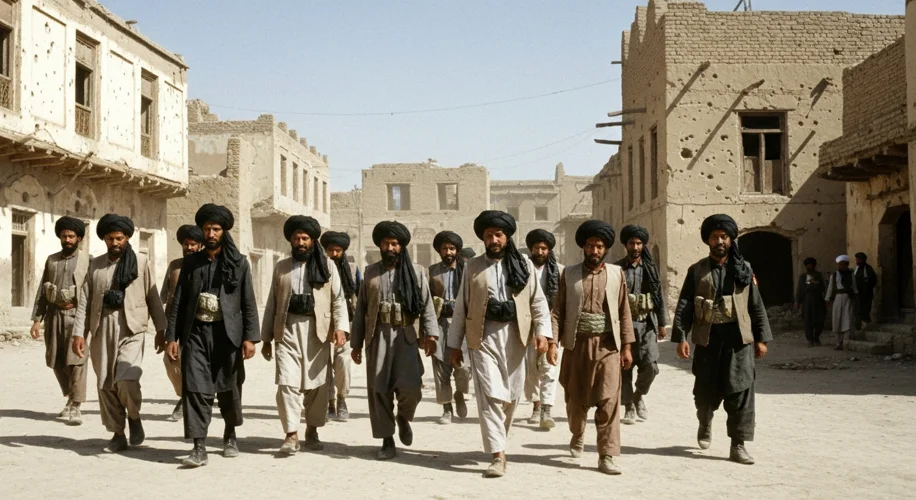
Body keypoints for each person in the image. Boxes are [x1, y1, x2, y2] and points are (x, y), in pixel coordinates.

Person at [448, 210, 551, 478]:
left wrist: (543, 332)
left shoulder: (525, 265)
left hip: (516, 337)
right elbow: (461, 307)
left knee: (511, 396)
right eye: (488, 236)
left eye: (498, 235)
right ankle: (498, 455)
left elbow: (538, 302)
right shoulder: (472, 266)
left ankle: (499, 441)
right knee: (490, 395)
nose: (493, 240)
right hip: (482, 337)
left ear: (507, 237)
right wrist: (454, 344)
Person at [671, 214, 772, 465]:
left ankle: (738, 445)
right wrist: (681, 337)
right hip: (708, 340)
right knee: (705, 393)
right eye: (715, 237)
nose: (719, 241)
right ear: (708, 240)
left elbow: (756, 305)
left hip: (739, 341)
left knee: (741, 391)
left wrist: (761, 338)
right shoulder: (697, 270)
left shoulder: (744, 269)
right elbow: (685, 306)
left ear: (730, 240)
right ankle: (705, 421)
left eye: (724, 237)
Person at [165, 204, 259, 467]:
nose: (211, 233)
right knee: (195, 388)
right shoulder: (191, 263)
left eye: (216, 229)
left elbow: (248, 302)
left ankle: (230, 434)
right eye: (207, 229)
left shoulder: (239, 263)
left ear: (224, 231)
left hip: (227, 336)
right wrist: (172, 337)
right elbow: (179, 302)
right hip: (196, 334)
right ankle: (199, 446)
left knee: (229, 388)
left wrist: (250, 337)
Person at [72, 214, 167, 452]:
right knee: (105, 384)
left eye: (119, 239)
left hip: (132, 328)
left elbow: (152, 296)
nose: (115, 243)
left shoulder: (141, 262)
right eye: (110, 239)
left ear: (127, 238)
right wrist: (79, 333)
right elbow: (85, 300)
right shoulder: (95, 265)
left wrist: (161, 329)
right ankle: (118, 433)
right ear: (104, 239)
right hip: (102, 327)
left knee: (126, 380)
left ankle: (134, 417)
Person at [350, 221, 438, 460]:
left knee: (411, 387)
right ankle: (387, 440)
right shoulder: (370, 272)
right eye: (386, 243)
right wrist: (356, 343)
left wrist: (430, 334)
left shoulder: (417, 272)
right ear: (380, 245)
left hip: (406, 336)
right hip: (378, 335)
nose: (390, 248)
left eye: (395, 244)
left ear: (402, 246)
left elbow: (427, 304)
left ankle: (403, 417)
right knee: (379, 389)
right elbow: (361, 310)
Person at [262, 216, 349, 454]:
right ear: (290, 240)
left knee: (318, 385)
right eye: (296, 238)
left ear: (312, 241)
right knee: (286, 382)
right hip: (287, 330)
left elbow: (338, 299)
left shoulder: (327, 266)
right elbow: (272, 303)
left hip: (317, 331)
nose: (300, 243)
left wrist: (340, 327)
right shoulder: (282, 267)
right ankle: (291, 434)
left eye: (305, 238)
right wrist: (266, 338)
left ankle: (312, 429)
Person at [553, 220, 634, 475]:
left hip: (608, 346)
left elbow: (624, 312)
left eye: (599, 246)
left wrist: (627, 347)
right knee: (575, 400)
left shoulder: (617, 274)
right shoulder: (568, 274)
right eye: (590, 245)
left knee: (609, 400)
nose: (594, 250)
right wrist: (552, 342)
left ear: (606, 248)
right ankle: (577, 433)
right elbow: (557, 311)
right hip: (576, 346)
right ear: (583, 247)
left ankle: (607, 455)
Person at [30, 216, 91, 426]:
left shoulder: (88, 261)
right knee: (56, 360)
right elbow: (42, 291)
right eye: (64, 236)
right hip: (54, 315)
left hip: (77, 316)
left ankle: (76, 405)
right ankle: (70, 396)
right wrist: (37, 319)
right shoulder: (52, 260)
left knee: (77, 360)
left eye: (71, 236)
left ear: (79, 238)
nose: (67, 240)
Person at [614, 224, 667, 425]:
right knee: (624, 368)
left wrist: (662, 323)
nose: (635, 247)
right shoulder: (617, 269)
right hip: (623, 326)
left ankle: (638, 396)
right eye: (631, 243)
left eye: (638, 243)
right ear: (625, 245)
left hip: (646, 325)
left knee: (651, 366)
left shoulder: (650, 270)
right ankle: (628, 407)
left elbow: (659, 296)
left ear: (643, 245)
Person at [156, 224, 204, 423]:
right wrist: (161, 329)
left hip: (199, 324)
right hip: (175, 324)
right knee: (171, 361)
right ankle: (185, 395)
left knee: (195, 364)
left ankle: (188, 400)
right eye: (186, 244)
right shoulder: (175, 267)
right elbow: (164, 297)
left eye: (193, 244)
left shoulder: (206, 266)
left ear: (200, 245)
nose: (189, 248)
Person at [428, 230, 471, 425]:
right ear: (439, 251)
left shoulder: (468, 270)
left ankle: (460, 393)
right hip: (440, 323)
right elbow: (426, 301)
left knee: (463, 368)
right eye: (444, 248)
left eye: (452, 248)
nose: (448, 252)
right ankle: (446, 408)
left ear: (457, 250)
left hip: (462, 325)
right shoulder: (432, 272)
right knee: (440, 367)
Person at [523, 228, 563, 430]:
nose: (540, 252)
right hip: (527, 324)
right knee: (530, 368)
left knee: (549, 365)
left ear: (549, 250)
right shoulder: (523, 268)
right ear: (531, 249)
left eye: (544, 248)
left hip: (552, 322)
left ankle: (547, 409)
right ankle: (536, 405)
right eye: (537, 248)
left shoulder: (560, 271)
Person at [319, 230, 360, 421]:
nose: (334, 254)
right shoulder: (319, 267)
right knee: (325, 364)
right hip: (323, 324)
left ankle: (342, 398)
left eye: (338, 250)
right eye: (330, 250)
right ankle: (330, 402)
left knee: (343, 361)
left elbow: (360, 298)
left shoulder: (352, 269)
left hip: (346, 325)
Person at [827, 255, 858, 351]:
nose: (842, 266)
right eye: (840, 264)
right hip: (838, 298)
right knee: (837, 318)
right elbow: (830, 288)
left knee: (847, 317)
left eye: (844, 264)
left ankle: (846, 341)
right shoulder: (834, 275)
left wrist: (855, 296)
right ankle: (838, 342)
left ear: (847, 265)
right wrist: (827, 299)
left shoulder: (851, 274)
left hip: (848, 298)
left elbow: (854, 286)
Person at [795, 257, 827, 347]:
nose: (809, 267)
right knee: (808, 320)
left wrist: (814, 283)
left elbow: (823, 288)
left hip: (818, 300)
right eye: (808, 265)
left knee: (820, 320)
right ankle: (810, 339)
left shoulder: (818, 275)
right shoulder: (803, 276)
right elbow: (800, 289)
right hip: (807, 301)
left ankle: (816, 337)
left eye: (811, 265)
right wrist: (798, 301)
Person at [853, 252, 877, 329]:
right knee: (857, 310)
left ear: (864, 260)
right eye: (857, 259)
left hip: (866, 294)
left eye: (859, 259)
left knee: (865, 310)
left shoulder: (869, 269)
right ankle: (858, 327)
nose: (857, 261)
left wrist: (866, 285)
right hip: (857, 294)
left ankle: (866, 325)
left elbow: (873, 281)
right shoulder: (856, 269)